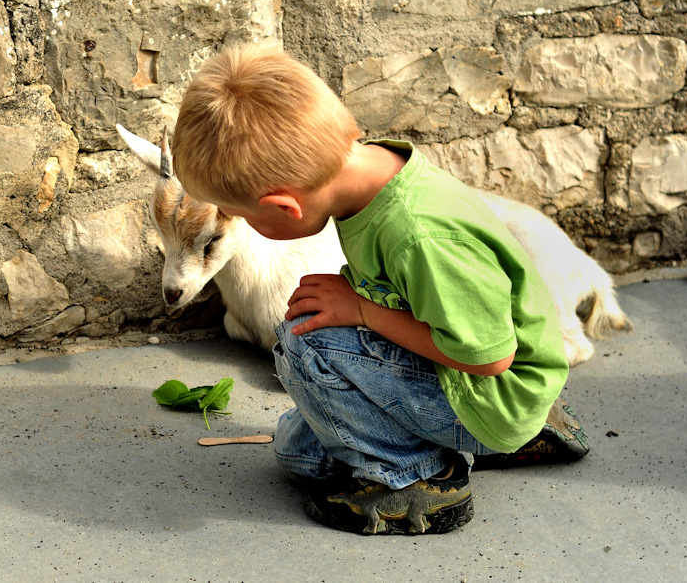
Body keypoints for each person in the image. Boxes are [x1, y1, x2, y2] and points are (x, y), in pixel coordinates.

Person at [170, 42, 588, 536]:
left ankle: (422, 478)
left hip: (492, 386)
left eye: (241, 214)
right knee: (297, 455)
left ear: (285, 207)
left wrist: (362, 312)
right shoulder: (369, 172)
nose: (243, 223)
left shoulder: (419, 235)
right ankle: (518, 433)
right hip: (469, 374)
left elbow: (488, 358)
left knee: (307, 342)